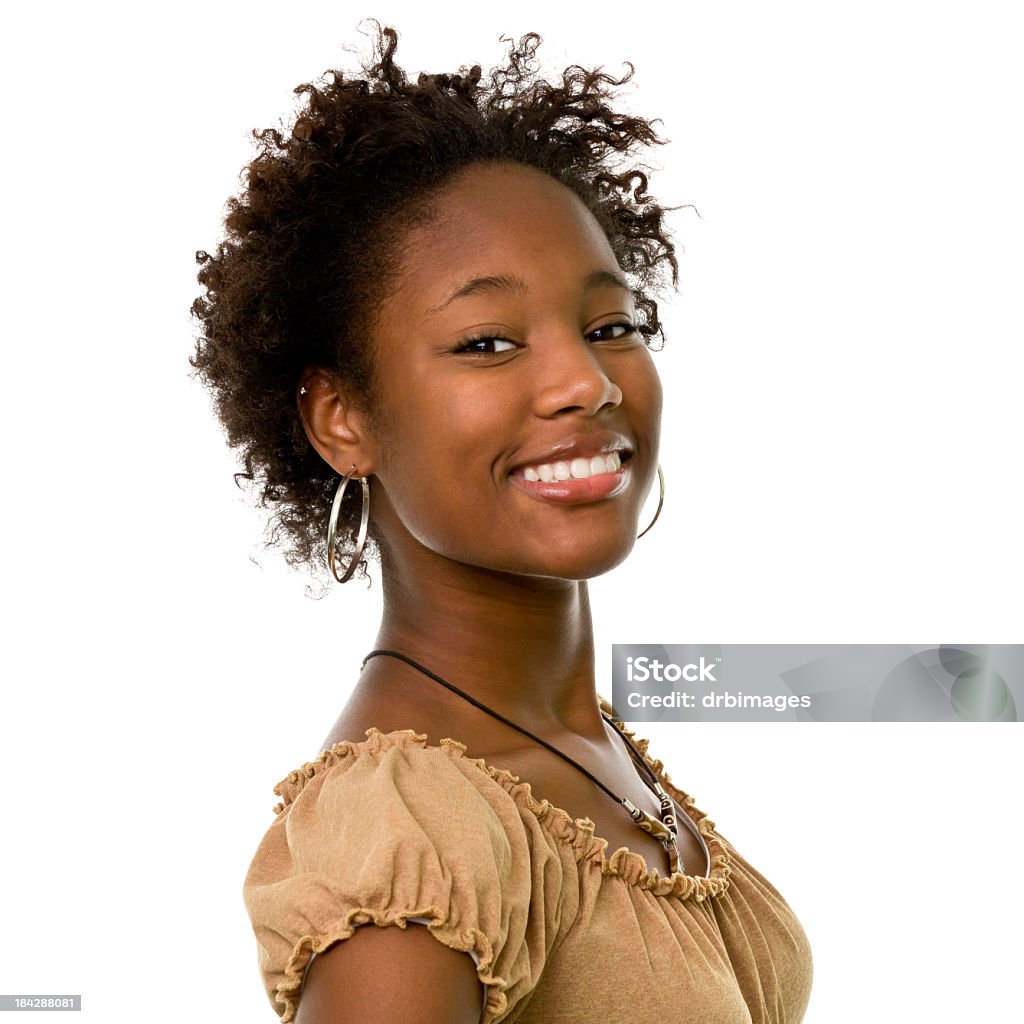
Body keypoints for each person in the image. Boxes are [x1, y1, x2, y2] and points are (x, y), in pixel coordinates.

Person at [192, 26, 812, 1024]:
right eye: (486, 341)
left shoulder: (579, 746)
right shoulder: (412, 827)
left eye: (610, 326)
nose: (585, 380)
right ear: (340, 417)